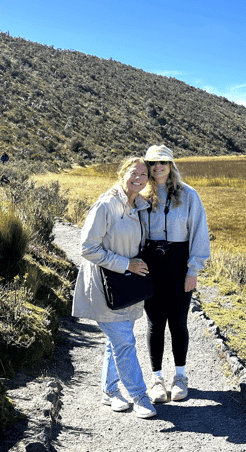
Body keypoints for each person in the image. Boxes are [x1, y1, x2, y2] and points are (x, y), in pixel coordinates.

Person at [72, 157, 157, 419]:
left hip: (125, 289)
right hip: (103, 287)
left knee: (116, 342)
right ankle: (140, 395)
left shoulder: (140, 206)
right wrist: (126, 264)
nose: (139, 178)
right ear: (122, 173)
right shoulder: (106, 205)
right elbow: (87, 248)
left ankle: (109, 391)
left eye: (144, 174)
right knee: (125, 342)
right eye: (134, 172)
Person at [142, 145, 210, 403]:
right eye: (152, 163)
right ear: (147, 166)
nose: (157, 168)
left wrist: (193, 270)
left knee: (178, 322)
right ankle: (156, 379)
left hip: (179, 264)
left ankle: (180, 376)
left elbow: (199, 234)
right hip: (150, 266)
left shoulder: (189, 195)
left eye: (163, 163)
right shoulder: (142, 195)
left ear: (171, 165)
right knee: (154, 323)